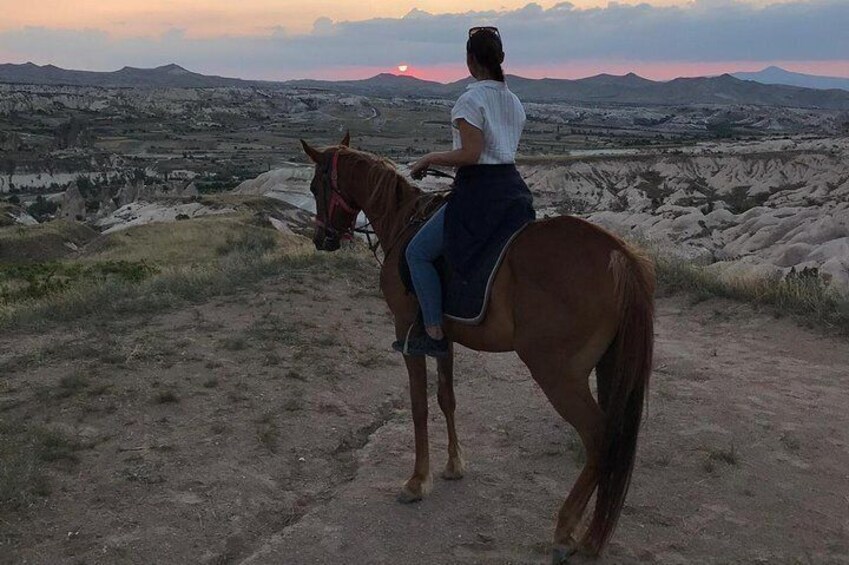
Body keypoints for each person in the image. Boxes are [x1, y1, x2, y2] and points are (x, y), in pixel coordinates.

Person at [397, 26, 534, 357]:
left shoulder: (470, 99)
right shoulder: (514, 101)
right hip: (513, 191)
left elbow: (471, 155)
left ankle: (433, 332)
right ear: (500, 59)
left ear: (470, 61)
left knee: (416, 253)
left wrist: (430, 157)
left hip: (478, 195)